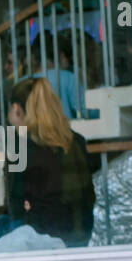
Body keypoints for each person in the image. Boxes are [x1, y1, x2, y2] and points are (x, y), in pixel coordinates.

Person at [6, 77, 95, 246]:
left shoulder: (20, 148)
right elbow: (89, 195)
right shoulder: (76, 141)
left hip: (41, 241)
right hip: (80, 234)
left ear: (16, 109)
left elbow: (15, 207)